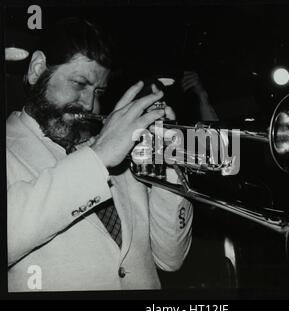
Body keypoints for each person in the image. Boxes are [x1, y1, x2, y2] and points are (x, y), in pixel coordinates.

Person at [6, 17, 193, 292]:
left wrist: (167, 167)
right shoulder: (102, 150)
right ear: (37, 69)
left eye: (98, 91)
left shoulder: (113, 147)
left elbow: (170, 259)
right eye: (80, 83)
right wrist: (98, 158)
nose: (90, 104)